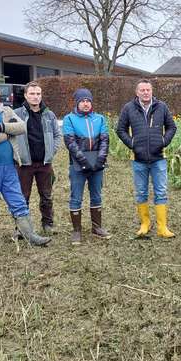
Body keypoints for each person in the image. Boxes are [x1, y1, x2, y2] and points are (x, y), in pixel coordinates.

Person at [0, 82, 51, 251]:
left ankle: (31, 235)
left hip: (9, 167)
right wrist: (7, 135)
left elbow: (22, 127)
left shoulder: (6, 111)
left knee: (18, 202)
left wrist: (1, 127)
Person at [116, 79, 177, 238]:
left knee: (161, 192)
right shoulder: (129, 108)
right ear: (137, 92)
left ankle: (162, 227)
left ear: (152, 91)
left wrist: (164, 141)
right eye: (142, 90)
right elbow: (120, 129)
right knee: (141, 192)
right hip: (138, 159)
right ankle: (145, 223)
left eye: (148, 90)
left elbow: (172, 127)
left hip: (159, 158)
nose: (145, 92)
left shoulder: (161, 107)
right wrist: (132, 143)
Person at [13, 81, 62, 236]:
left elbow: (57, 135)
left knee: (46, 196)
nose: (35, 97)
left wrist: (51, 152)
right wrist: (17, 154)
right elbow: (10, 136)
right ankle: (21, 228)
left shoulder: (49, 114)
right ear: (26, 95)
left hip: (44, 164)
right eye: (32, 94)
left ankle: (47, 224)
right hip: (24, 164)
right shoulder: (16, 114)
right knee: (22, 197)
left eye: (38, 94)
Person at [62, 88, 111, 244]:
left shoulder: (100, 119)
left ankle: (97, 227)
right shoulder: (69, 119)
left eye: (88, 101)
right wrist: (83, 160)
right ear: (77, 103)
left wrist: (101, 158)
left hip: (97, 164)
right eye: (82, 101)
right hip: (78, 164)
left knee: (96, 195)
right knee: (76, 196)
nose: (85, 104)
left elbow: (104, 139)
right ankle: (77, 231)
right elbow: (70, 142)